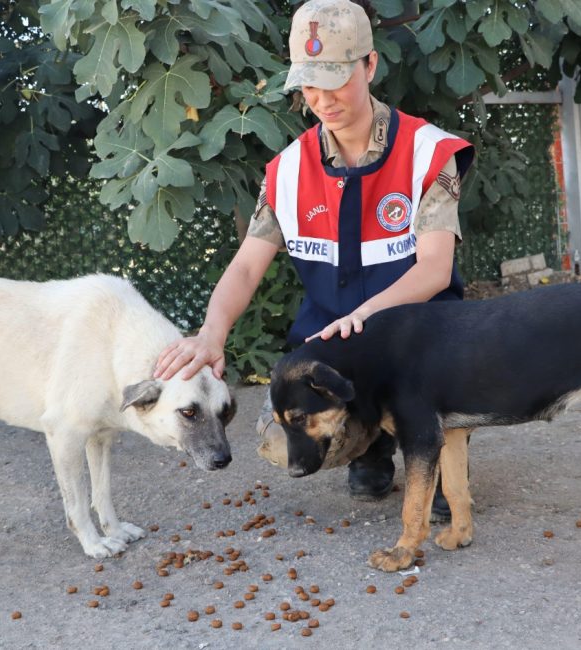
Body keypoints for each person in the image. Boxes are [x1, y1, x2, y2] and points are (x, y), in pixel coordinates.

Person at [154, 0, 473, 519]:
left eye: (337, 81)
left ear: (369, 66)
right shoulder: (286, 170)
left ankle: (436, 450)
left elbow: (435, 270)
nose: (323, 100)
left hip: (422, 342)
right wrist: (211, 333)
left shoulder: (428, 152)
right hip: (336, 353)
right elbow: (244, 267)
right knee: (278, 443)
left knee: (428, 387)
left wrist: (365, 317)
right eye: (309, 86)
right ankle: (369, 444)